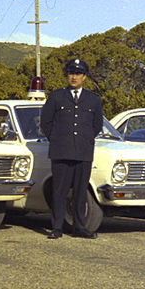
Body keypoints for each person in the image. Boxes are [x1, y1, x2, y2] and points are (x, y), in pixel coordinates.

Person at [40, 58, 104, 239]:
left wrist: (85, 140)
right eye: (71, 73)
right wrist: (57, 139)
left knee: (80, 191)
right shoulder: (56, 96)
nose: (74, 77)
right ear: (67, 75)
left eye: (78, 74)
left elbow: (96, 125)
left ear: (84, 77)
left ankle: (79, 227)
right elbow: (46, 122)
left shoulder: (93, 99)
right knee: (59, 192)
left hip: (83, 152)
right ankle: (57, 228)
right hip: (61, 151)